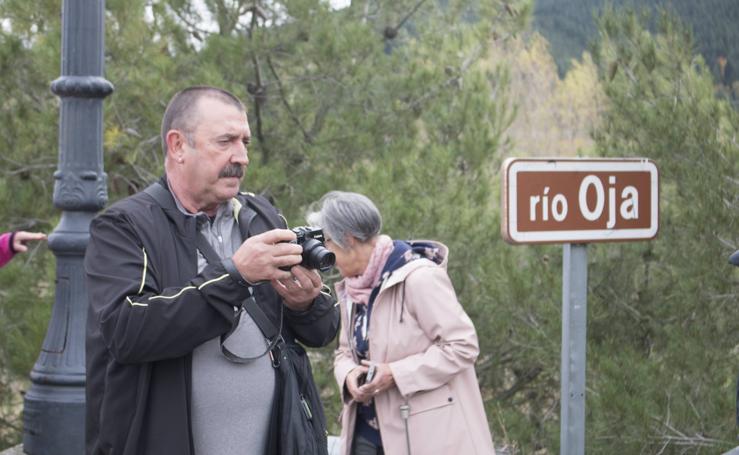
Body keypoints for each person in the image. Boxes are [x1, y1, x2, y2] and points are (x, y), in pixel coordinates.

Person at [84, 86, 339, 455]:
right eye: (226, 142)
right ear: (177, 146)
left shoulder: (261, 215)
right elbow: (126, 330)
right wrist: (236, 276)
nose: (242, 157)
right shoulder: (124, 226)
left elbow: (323, 331)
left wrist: (306, 303)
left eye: (245, 142)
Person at [306, 191, 496, 455]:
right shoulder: (354, 288)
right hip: (366, 434)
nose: (326, 254)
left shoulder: (420, 279)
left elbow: (463, 346)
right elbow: (344, 353)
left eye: (328, 243)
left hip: (427, 438)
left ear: (348, 239)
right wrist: (349, 375)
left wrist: (395, 374)